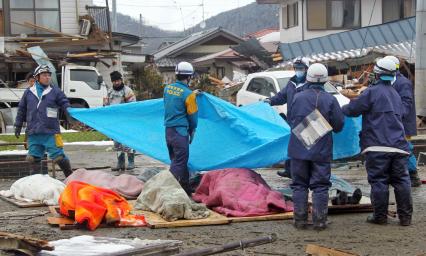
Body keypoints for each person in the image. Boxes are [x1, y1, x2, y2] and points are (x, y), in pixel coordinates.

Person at [342, 58, 413, 226]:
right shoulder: (396, 94)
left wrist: (339, 108)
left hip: (377, 145)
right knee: (402, 181)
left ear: (377, 73)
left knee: (379, 181)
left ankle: (380, 217)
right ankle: (406, 218)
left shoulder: (371, 92)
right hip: (398, 146)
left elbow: (353, 110)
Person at [288, 63, 344, 230]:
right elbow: (339, 125)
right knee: (320, 186)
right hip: (321, 150)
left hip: (299, 149)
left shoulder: (298, 97)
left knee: (299, 185)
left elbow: (291, 120)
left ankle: (300, 221)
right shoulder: (331, 100)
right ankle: (320, 221)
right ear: (325, 80)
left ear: (308, 77)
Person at [14, 65, 73, 177]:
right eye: (44, 75)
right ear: (37, 77)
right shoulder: (28, 92)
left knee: (59, 157)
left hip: (51, 131)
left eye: (49, 75)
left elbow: (65, 103)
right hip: (34, 132)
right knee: (33, 158)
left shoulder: (55, 91)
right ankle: (36, 183)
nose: (47, 77)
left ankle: (69, 177)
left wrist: (69, 112)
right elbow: (22, 109)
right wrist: (18, 125)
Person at [265, 57, 310, 178]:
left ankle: (303, 173)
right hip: (292, 120)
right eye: (296, 68)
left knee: (305, 148)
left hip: (307, 121)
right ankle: (289, 170)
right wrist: (270, 101)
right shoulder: (291, 83)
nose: (298, 70)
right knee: (292, 146)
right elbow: (282, 96)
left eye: (300, 68)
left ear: (307, 69)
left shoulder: (310, 84)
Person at [383, 55, 420, 187]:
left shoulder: (402, 82)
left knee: (406, 148)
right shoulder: (392, 81)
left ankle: (412, 174)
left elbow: (406, 103)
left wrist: (397, 116)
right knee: (396, 148)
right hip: (395, 122)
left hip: (403, 122)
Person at [163, 61, 199, 195]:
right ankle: (166, 190)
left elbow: (172, 101)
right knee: (180, 161)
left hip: (168, 131)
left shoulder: (167, 89)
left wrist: (192, 94)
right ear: (189, 77)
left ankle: (185, 187)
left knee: (177, 160)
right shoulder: (188, 95)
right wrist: (193, 129)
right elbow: (193, 116)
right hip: (180, 132)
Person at [106, 71, 137, 171]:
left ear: (121, 80)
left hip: (127, 121)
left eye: (118, 80)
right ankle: (120, 162)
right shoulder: (110, 92)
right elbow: (106, 105)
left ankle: (131, 161)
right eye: (114, 81)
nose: (116, 83)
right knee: (117, 143)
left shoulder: (128, 91)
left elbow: (133, 106)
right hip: (115, 122)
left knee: (128, 142)